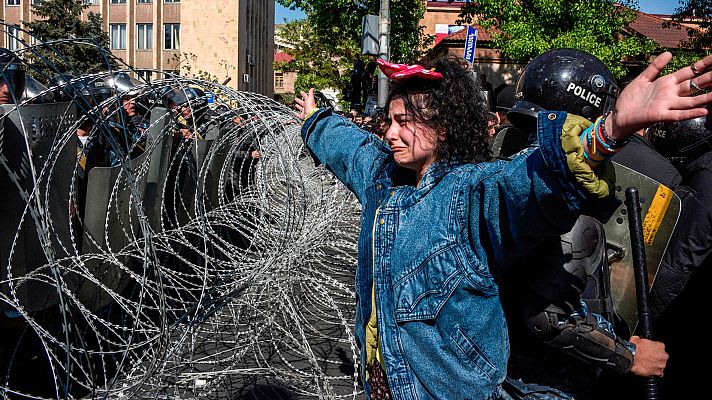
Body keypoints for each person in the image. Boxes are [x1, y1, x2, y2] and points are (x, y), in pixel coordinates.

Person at [295, 52, 712, 399]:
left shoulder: (470, 193)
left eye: (406, 122)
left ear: (442, 129)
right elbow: (347, 147)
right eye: (390, 120)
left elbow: (531, 180)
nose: (391, 133)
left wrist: (610, 130)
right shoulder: (382, 177)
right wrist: (316, 120)